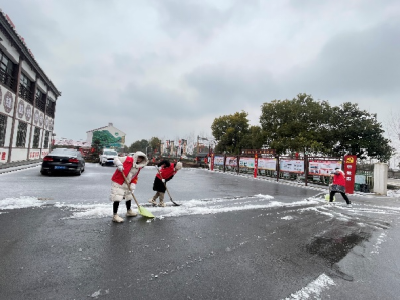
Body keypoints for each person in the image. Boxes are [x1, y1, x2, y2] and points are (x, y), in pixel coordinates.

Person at [110, 151, 149, 222]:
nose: (139, 159)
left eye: (141, 158)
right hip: (118, 181)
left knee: (129, 196)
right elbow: (116, 158)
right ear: (136, 156)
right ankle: (115, 215)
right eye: (139, 157)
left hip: (128, 182)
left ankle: (129, 211)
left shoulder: (138, 167)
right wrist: (119, 164)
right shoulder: (128, 159)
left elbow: (136, 177)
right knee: (117, 197)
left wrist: (133, 185)